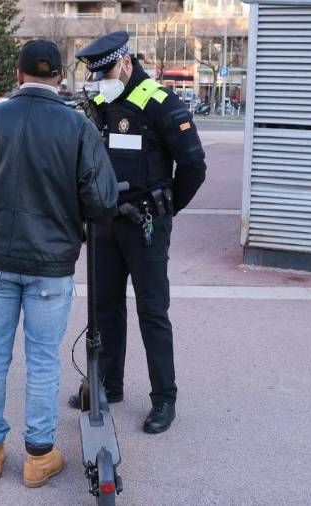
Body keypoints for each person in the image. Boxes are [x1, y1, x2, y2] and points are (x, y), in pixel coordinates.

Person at [0, 40, 118, 488]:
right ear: (59, 78)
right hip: (52, 264)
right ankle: (39, 456)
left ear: (17, 77)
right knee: (43, 361)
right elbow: (103, 201)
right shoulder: (78, 127)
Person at [68, 31, 207, 434]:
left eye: (107, 70)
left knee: (152, 312)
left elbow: (194, 166)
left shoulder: (160, 103)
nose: (101, 79)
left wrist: (166, 210)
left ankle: (164, 399)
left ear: (126, 62)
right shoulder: (97, 103)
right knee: (105, 309)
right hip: (106, 225)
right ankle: (109, 386)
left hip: (146, 226)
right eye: (96, 74)